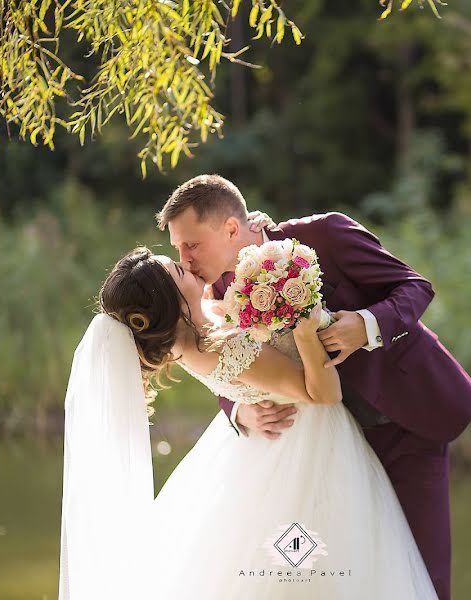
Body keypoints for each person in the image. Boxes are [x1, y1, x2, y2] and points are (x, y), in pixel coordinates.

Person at [157, 174, 471, 599]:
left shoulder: (325, 235)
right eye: (177, 248)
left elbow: (415, 287)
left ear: (231, 229)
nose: (184, 257)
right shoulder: (216, 289)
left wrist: (365, 326)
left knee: (419, 576)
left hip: (402, 425)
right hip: (323, 451)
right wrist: (239, 410)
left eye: (191, 245)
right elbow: (227, 361)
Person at [58, 246, 439, 599]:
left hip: (265, 443)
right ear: (171, 301)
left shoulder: (188, 338)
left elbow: (237, 363)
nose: (187, 264)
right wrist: (305, 328)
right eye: (178, 269)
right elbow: (324, 394)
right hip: (305, 441)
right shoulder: (221, 346)